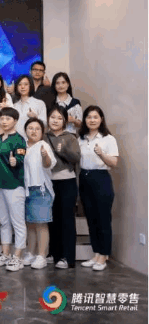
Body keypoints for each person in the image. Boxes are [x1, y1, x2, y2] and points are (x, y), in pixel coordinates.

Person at [78, 106, 119, 271]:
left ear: (101, 119)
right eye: (89, 117)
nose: (92, 120)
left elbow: (114, 162)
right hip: (84, 178)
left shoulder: (108, 139)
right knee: (91, 218)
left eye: (95, 117)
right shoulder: (81, 138)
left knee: (103, 219)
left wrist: (101, 154)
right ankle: (96, 254)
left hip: (101, 178)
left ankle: (103, 255)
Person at [0, 107, 27, 272]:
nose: (4, 121)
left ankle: (18, 256)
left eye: (8, 118)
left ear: (15, 121)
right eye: (2, 118)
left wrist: (15, 161)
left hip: (14, 185)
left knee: (17, 222)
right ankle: (5, 254)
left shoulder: (19, 139)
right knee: (4, 222)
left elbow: (20, 158)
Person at [44, 106, 81, 269]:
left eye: (59, 118)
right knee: (52, 219)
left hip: (67, 181)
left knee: (67, 220)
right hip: (48, 182)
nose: (55, 121)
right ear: (48, 119)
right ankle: (54, 253)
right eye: (53, 117)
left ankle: (68, 257)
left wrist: (64, 150)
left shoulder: (70, 137)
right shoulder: (44, 136)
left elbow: (76, 158)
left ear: (65, 121)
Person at [21, 118, 56, 270]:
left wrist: (44, 156)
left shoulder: (43, 145)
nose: (33, 131)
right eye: (30, 128)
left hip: (40, 189)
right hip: (26, 189)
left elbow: (48, 164)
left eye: (37, 129)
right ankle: (30, 252)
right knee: (30, 223)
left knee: (41, 223)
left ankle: (42, 255)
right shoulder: (22, 146)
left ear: (42, 132)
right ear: (25, 130)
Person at [12, 74, 47, 139]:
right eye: (20, 84)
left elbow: (45, 125)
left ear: (30, 86)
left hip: (33, 140)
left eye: (26, 84)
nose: (22, 87)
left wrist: (36, 117)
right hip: (16, 141)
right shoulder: (14, 106)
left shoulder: (39, 103)